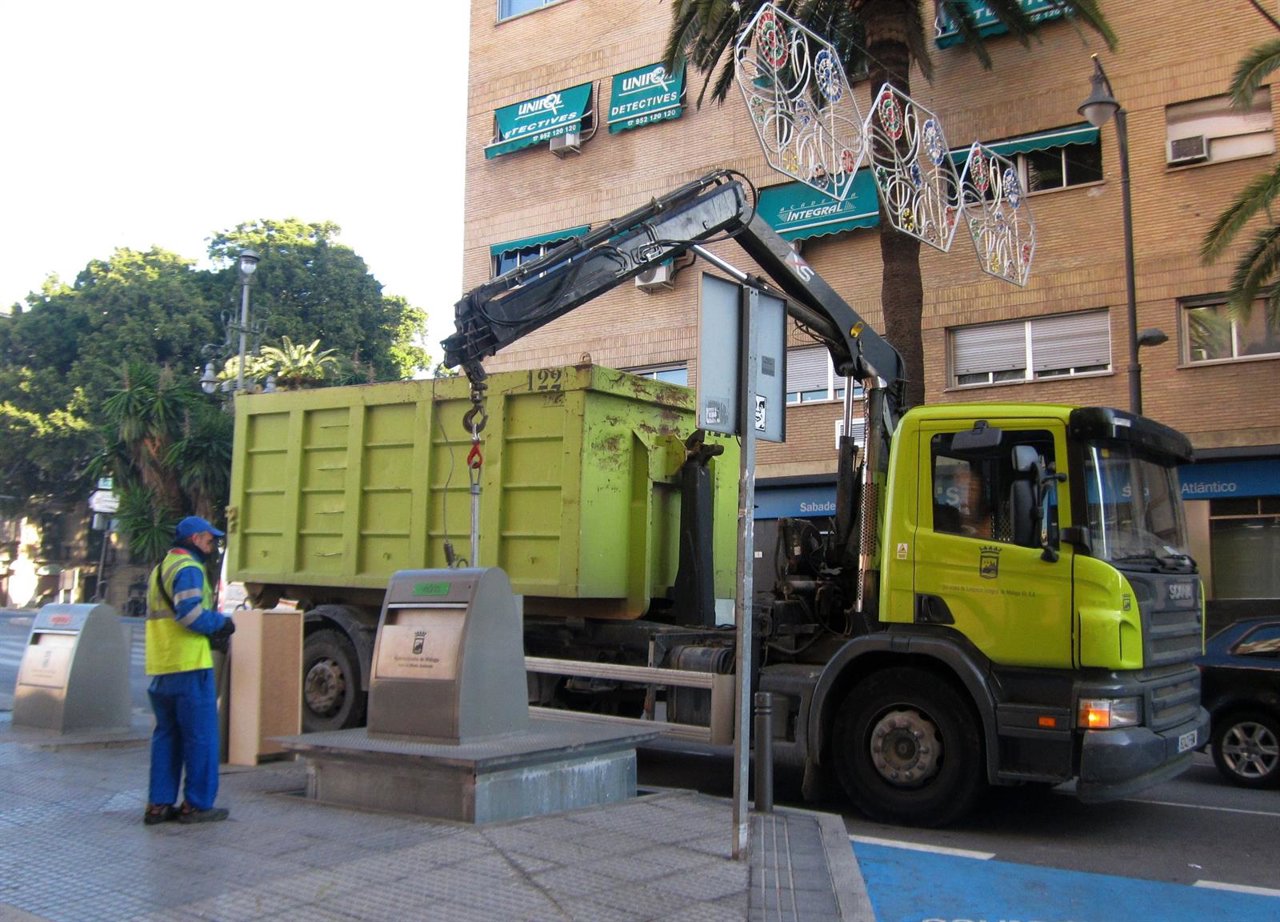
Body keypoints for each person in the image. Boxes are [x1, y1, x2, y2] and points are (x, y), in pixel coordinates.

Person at [143, 515, 235, 825]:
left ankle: (158, 805)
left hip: (162, 666)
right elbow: (191, 615)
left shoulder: (160, 570)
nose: (212, 544)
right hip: (189, 666)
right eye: (210, 539)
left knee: (166, 737)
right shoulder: (189, 569)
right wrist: (221, 623)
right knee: (201, 738)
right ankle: (196, 805)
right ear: (195, 539)